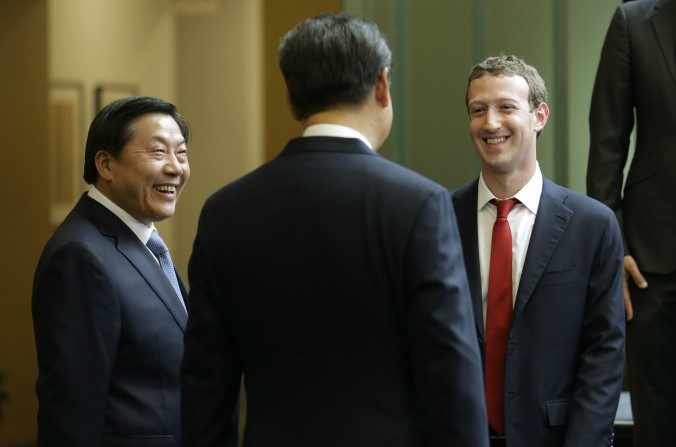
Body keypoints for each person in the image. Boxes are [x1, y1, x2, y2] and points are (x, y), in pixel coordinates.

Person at [181, 13, 488, 447]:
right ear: (382, 85)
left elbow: (205, 387)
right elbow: (451, 375)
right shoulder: (418, 204)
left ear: (290, 98)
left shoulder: (225, 211)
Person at [450, 54, 625, 446]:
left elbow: (604, 352)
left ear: (539, 116)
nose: (490, 123)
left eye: (506, 107)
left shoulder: (591, 225)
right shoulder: (437, 220)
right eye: (478, 110)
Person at [32, 96, 193, 446]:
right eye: (158, 152)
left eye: (181, 153)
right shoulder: (80, 255)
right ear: (105, 164)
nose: (175, 168)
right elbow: (72, 410)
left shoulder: (143, 241)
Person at [587, 1, 676, 444]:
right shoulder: (633, 21)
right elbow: (607, 141)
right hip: (653, 257)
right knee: (657, 412)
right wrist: (612, 246)